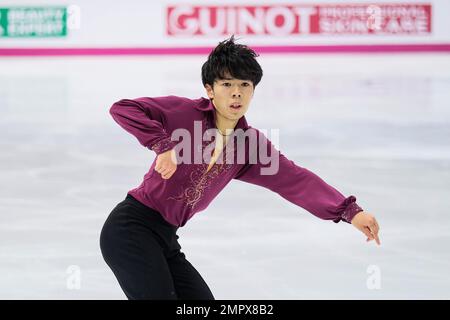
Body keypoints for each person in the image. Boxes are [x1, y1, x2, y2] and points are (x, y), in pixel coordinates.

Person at [99, 35, 381, 300]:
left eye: (245, 85)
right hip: (130, 230)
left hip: (166, 238)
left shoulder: (248, 146)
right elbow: (123, 108)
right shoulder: (184, 113)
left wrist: (348, 211)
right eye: (227, 85)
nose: (237, 94)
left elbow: (295, 179)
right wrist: (162, 145)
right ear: (209, 89)